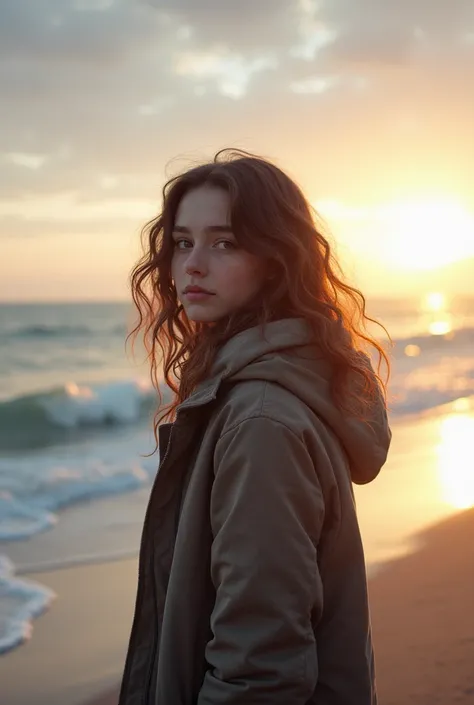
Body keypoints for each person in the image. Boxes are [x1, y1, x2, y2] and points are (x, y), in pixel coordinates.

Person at [119, 149, 391, 705]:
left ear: (276, 259)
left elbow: (260, 666)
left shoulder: (260, 422)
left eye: (224, 243)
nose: (192, 265)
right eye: (183, 242)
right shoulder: (261, 394)